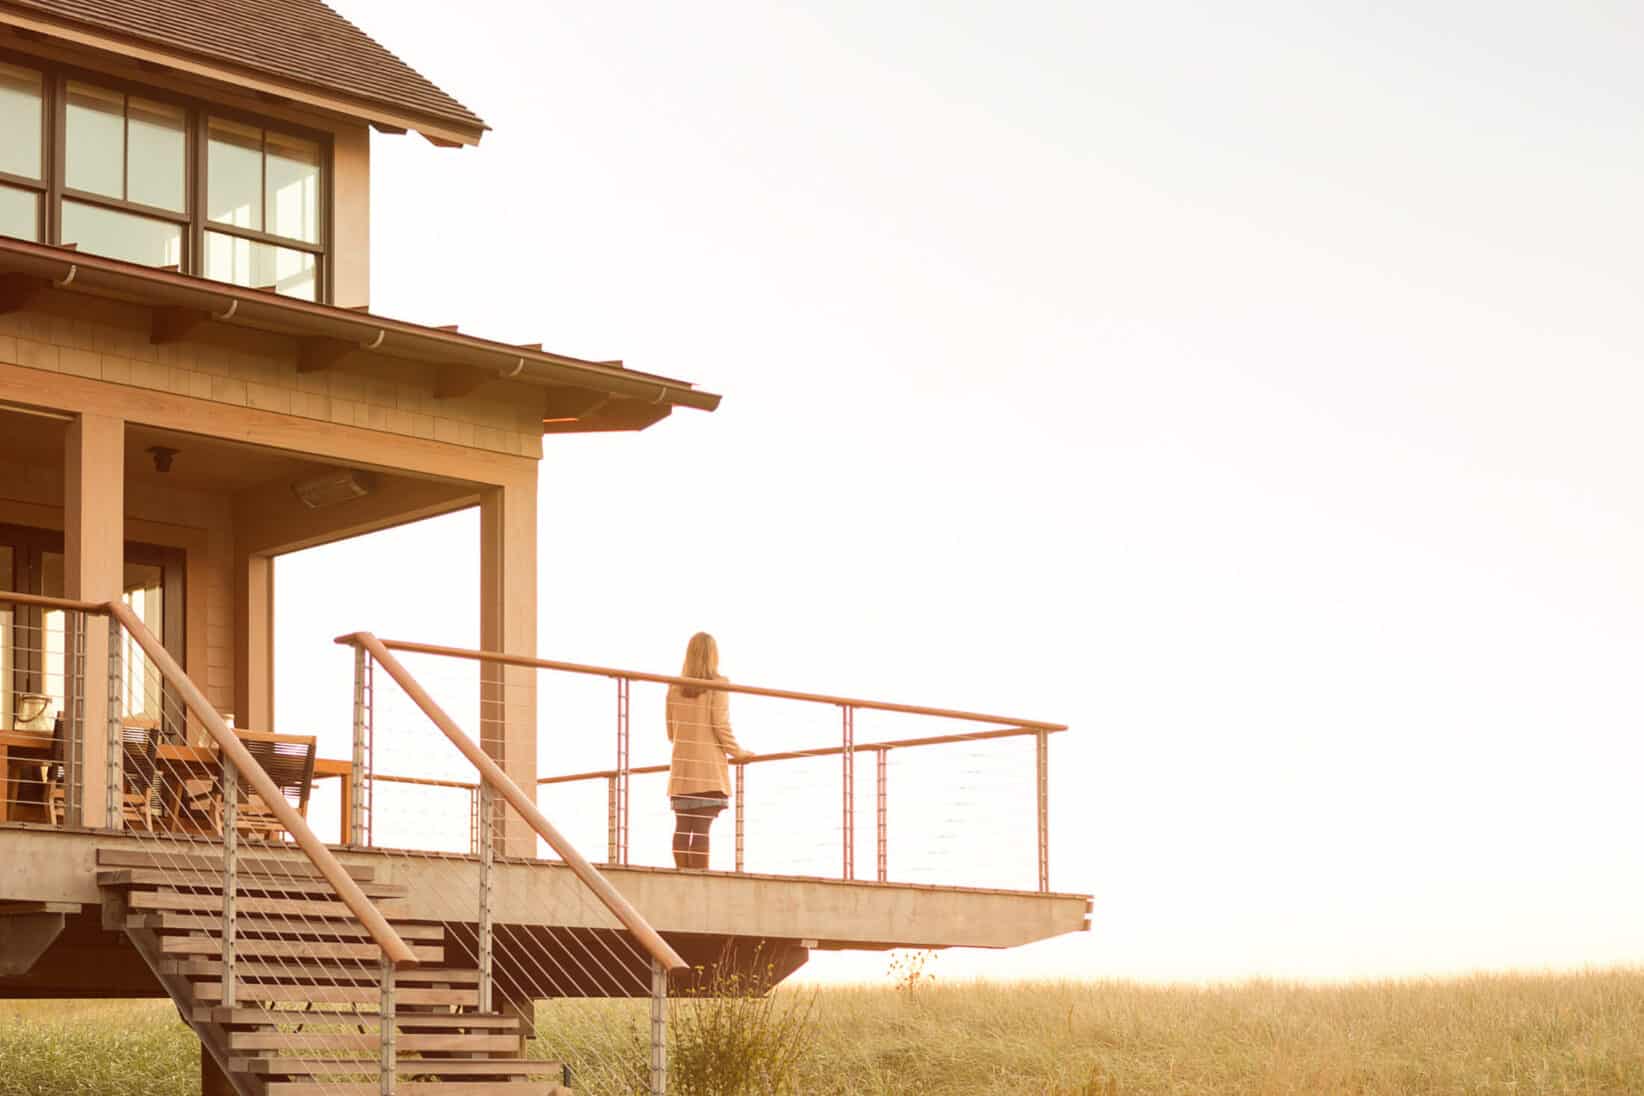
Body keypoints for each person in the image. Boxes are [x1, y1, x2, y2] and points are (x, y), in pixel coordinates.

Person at [665, 632, 753, 869]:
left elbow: (671, 732)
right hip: (708, 768)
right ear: (713, 655)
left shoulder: (675, 686)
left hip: (683, 768)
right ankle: (698, 876)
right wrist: (739, 752)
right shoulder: (718, 684)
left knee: (683, 826)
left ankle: (682, 874)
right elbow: (720, 725)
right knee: (702, 828)